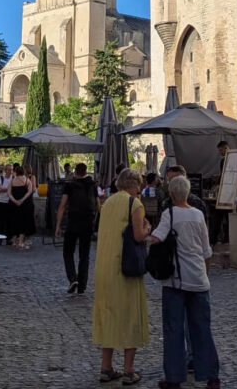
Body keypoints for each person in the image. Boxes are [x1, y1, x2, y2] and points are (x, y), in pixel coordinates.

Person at [151, 175, 221, 389]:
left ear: (171, 194)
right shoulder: (198, 215)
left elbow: (156, 239)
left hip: (176, 282)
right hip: (199, 279)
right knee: (202, 328)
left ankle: (174, 376)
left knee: (174, 329)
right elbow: (206, 250)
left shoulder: (169, 214)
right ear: (188, 193)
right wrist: (205, 274)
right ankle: (211, 376)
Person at [92, 167, 150, 385]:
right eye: (140, 185)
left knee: (108, 314)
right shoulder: (134, 204)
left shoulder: (107, 203)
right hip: (125, 267)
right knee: (130, 315)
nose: (140, 189)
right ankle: (128, 370)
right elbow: (137, 235)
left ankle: (106, 367)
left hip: (104, 265)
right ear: (134, 184)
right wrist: (147, 228)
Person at [56, 161, 98, 294]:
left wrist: (58, 225)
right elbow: (98, 205)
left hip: (73, 222)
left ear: (75, 172)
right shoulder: (92, 185)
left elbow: (62, 205)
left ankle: (73, 278)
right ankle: (82, 286)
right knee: (84, 255)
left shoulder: (70, 185)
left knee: (68, 252)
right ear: (86, 172)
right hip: (87, 224)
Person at [8, 163, 35, 249]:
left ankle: (15, 241)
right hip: (25, 205)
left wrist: (15, 201)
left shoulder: (12, 181)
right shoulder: (27, 180)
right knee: (23, 222)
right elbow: (29, 192)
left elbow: (9, 193)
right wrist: (21, 200)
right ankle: (21, 242)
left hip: (13, 205)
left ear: (16, 172)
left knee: (15, 221)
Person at [0, 160, 13, 242]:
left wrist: (5, 189)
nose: (10, 171)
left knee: (9, 221)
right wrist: (8, 189)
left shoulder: (13, 178)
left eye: (12, 169)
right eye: (9, 169)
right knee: (0, 221)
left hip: (10, 201)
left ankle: (8, 239)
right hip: (2, 201)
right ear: (5, 170)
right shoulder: (1, 178)